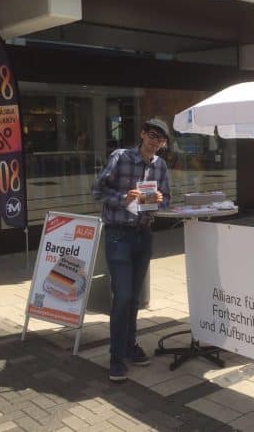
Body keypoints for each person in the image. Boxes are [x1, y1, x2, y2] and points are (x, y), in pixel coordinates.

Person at [92, 118, 171, 382]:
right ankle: (116, 357)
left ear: (163, 144)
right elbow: (98, 190)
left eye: (160, 139)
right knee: (123, 296)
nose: (154, 141)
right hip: (118, 236)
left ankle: (129, 345)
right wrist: (122, 198)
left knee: (134, 298)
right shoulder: (120, 157)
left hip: (143, 235)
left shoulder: (160, 166)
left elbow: (167, 198)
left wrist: (160, 200)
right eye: (151, 135)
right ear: (142, 135)